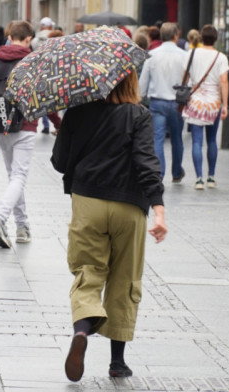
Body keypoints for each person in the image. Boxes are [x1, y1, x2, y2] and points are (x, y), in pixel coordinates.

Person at [52, 69, 167, 382]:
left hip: (88, 201)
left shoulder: (77, 111)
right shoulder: (139, 115)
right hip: (129, 206)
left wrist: (67, 130)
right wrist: (158, 208)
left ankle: (81, 332)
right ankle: (117, 362)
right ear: (132, 82)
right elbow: (146, 161)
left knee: (88, 272)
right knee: (125, 280)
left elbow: (60, 162)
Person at [0, 20, 61, 248]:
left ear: (9, 36)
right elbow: (44, 97)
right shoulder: (32, 60)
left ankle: (23, 227)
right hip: (25, 125)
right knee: (19, 177)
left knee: (14, 177)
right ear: (28, 39)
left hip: (1, 126)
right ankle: (0, 218)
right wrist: (57, 123)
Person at [138, 22, 189, 183]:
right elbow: (190, 81)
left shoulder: (152, 55)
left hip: (157, 102)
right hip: (177, 102)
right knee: (177, 138)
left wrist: (139, 98)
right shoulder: (184, 56)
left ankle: (159, 173)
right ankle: (176, 172)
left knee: (157, 138)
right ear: (176, 36)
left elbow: (143, 83)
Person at [182, 24, 229, 190]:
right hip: (213, 103)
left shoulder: (192, 54)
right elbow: (224, 81)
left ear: (201, 37)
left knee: (196, 141)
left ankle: (199, 179)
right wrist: (225, 104)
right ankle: (211, 176)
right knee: (211, 140)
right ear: (215, 39)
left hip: (195, 101)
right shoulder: (221, 57)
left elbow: (185, 77)